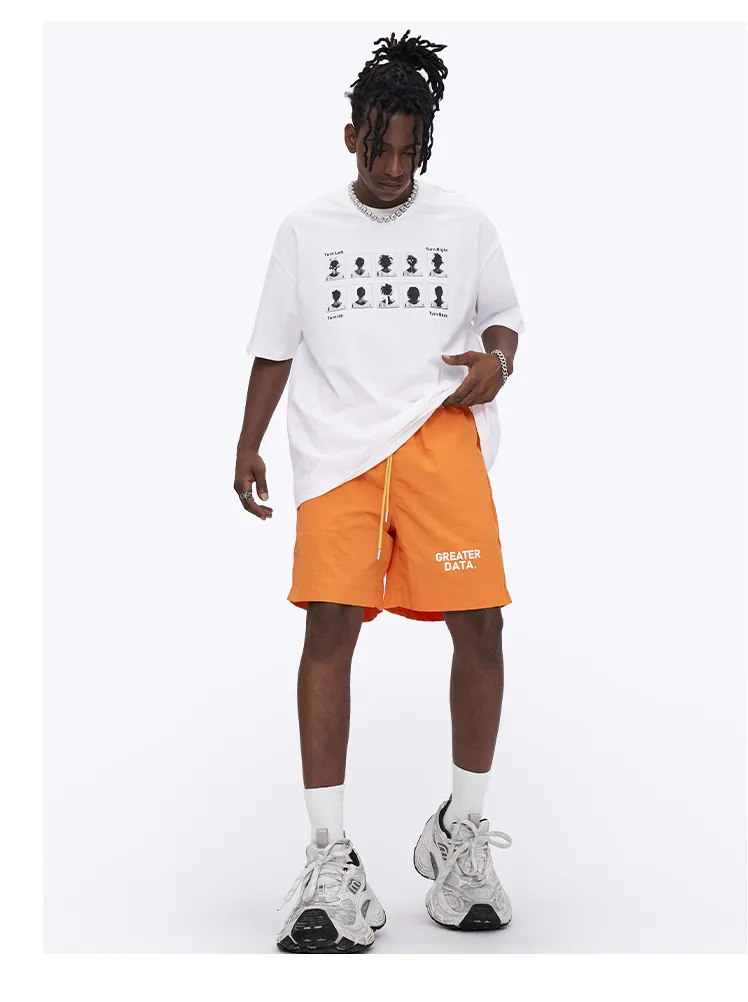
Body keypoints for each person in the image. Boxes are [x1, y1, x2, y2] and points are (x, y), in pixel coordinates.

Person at [234, 29, 524, 954]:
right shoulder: (305, 229)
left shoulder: (465, 224)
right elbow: (275, 344)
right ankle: (329, 860)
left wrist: (498, 361)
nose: (394, 168)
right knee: (329, 624)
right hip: (338, 452)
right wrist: (247, 444)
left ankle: (462, 837)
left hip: (439, 438)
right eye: (378, 147)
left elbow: (504, 318)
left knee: (481, 625)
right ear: (350, 135)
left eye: (410, 151)